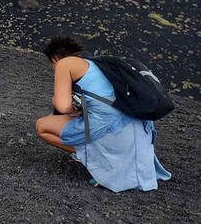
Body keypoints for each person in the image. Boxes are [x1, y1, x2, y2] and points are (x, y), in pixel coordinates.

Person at [34, 35, 171, 191]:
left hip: (111, 128)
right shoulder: (100, 65)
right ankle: (106, 157)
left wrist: (57, 101)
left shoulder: (65, 63)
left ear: (54, 59)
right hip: (140, 132)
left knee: (42, 126)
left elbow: (63, 107)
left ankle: (92, 158)